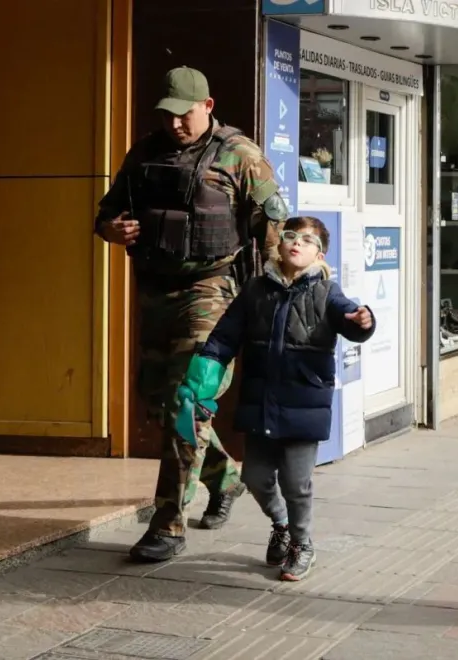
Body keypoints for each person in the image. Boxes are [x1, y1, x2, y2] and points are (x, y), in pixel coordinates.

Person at [94, 66, 288, 563]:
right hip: (158, 292)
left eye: (184, 114)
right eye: (167, 114)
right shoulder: (144, 153)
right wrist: (111, 229)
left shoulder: (240, 155)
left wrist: (275, 299)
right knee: (161, 404)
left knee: (188, 401)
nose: (175, 124)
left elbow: (273, 229)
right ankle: (225, 479)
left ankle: (168, 523)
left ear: (207, 104)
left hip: (215, 291)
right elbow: (108, 211)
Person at [176, 217, 375, 581]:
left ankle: (302, 544)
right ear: (279, 244)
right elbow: (223, 338)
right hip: (260, 402)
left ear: (320, 252)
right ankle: (281, 525)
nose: (296, 243)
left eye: (307, 239)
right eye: (290, 236)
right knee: (255, 476)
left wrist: (363, 321)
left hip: (304, 404)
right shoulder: (255, 290)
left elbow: (349, 319)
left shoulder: (327, 291)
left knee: (297, 483)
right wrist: (203, 376)